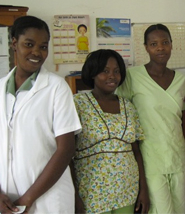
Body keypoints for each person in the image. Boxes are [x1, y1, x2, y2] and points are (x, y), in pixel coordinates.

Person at [0, 15, 82, 214]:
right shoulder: (1, 87)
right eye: (29, 44)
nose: (36, 52)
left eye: (43, 46)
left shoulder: (57, 88)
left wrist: (27, 199)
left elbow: (65, 149)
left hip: (47, 201)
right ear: (14, 44)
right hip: (6, 201)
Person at [116, 24, 185, 214]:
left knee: (180, 209)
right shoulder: (132, 76)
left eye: (165, 42)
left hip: (177, 156)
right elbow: (122, 113)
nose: (160, 48)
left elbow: (182, 120)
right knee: (161, 210)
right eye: (154, 43)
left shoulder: (181, 80)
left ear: (172, 45)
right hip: (150, 157)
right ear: (146, 47)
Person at [71, 49, 150, 214]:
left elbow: (136, 151)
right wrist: (74, 195)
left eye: (116, 71)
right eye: (105, 71)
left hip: (126, 191)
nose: (112, 76)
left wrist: (143, 189)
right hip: (92, 194)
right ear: (92, 73)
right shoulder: (77, 104)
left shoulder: (128, 105)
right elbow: (68, 155)